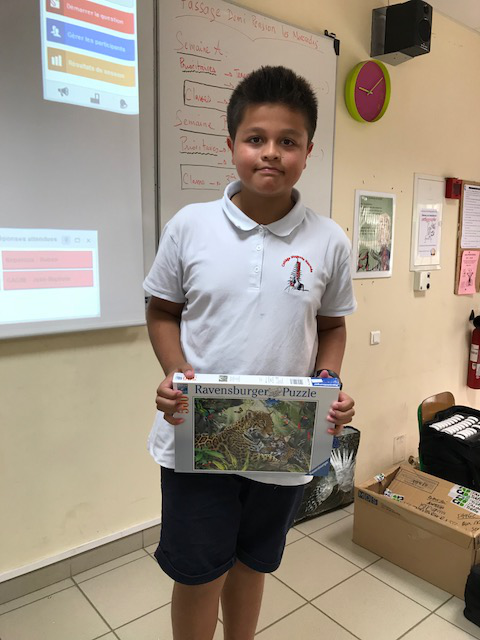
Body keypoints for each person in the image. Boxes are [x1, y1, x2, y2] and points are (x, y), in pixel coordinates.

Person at [144, 65, 356, 640]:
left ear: (307, 152)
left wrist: (329, 381)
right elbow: (161, 312)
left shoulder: (330, 240)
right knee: (197, 574)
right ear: (231, 145)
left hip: (283, 439)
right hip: (197, 435)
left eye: (288, 141)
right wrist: (175, 373)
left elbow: (332, 326)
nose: (271, 153)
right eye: (255, 138)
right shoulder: (190, 226)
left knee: (253, 562)